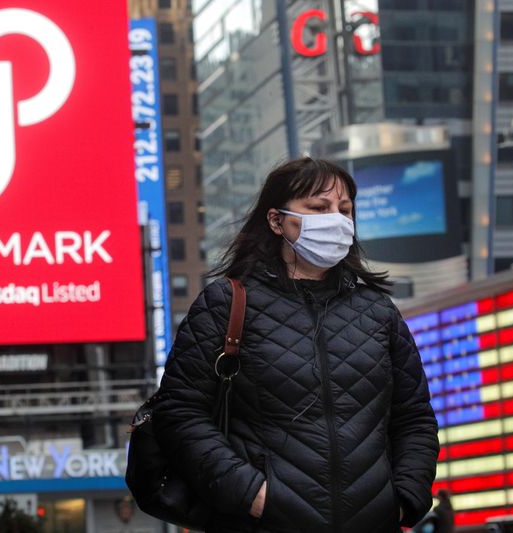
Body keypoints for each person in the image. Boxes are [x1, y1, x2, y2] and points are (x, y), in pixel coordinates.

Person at [153, 157, 439, 533]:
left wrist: (403, 499)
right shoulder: (226, 304)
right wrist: (253, 496)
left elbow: (414, 418)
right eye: (319, 208)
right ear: (276, 221)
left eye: (345, 210)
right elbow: (180, 414)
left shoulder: (378, 312)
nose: (336, 219)